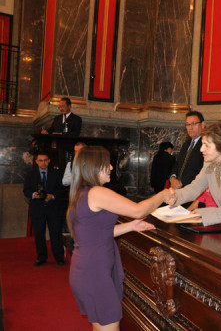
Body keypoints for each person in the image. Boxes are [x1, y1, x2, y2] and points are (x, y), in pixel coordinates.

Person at [67, 146, 168, 330]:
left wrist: (131, 226)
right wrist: (163, 194)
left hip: (88, 269)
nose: (112, 168)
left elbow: (96, 233)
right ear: (95, 166)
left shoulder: (82, 192)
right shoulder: (97, 192)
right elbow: (139, 209)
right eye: (107, 164)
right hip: (94, 272)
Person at [23, 151, 65, 266]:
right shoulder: (30, 174)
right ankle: (41, 257)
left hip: (53, 209)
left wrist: (52, 196)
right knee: (39, 235)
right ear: (36, 162)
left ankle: (59, 257)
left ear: (49, 161)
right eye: (40, 160)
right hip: (38, 209)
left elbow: (62, 189)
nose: (43, 163)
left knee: (55, 234)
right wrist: (33, 195)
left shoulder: (56, 173)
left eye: (45, 160)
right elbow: (26, 190)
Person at [169, 111, 205, 190]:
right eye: (188, 124)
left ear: (202, 125)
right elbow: (177, 164)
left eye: (194, 123)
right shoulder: (186, 144)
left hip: (194, 191)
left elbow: (202, 169)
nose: (190, 127)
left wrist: (182, 183)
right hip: (179, 190)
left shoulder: (206, 144)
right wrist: (173, 178)